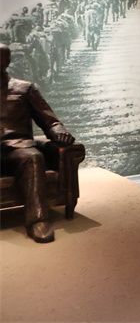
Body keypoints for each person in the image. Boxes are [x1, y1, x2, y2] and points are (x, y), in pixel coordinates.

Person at [0, 43, 75, 243]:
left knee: (33, 158)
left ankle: (38, 220)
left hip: (17, 147)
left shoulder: (24, 89)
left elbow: (49, 119)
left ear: (6, 61)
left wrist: (59, 131)